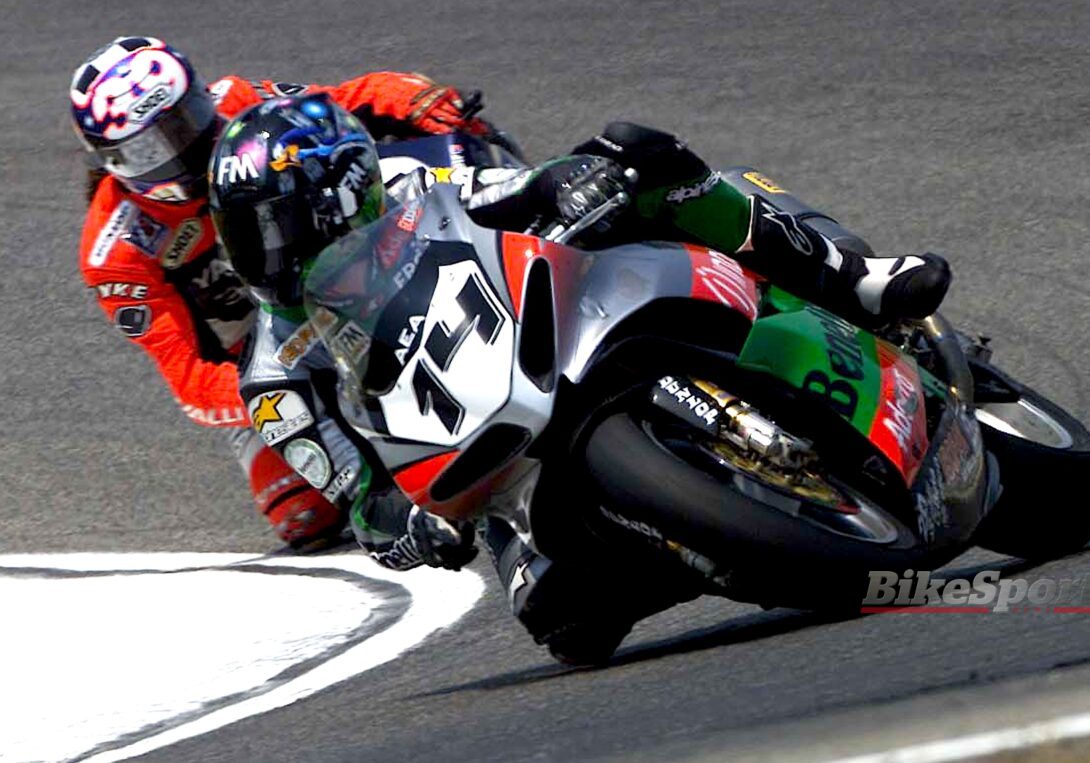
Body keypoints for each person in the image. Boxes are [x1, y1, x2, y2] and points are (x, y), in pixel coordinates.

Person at [209, 95, 951, 661]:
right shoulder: (273, 377)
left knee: (639, 156)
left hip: (548, 329)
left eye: (279, 227)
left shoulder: (411, 180)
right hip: (480, 467)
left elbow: (517, 189)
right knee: (565, 624)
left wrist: (571, 184)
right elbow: (359, 499)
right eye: (246, 235)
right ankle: (704, 537)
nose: (269, 256)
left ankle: (853, 279)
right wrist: (411, 528)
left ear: (344, 191)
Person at [70, 36, 490, 547]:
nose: (184, 147)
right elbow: (192, 383)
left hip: (335, 271)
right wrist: (291, 392)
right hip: (262, 354)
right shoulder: (115, 252)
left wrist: (403, 95)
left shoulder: (235, 101)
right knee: (303, 513)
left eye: (186, 119)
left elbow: (334, 106)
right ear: (114, 161)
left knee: (434, 130)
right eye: (151, 149)